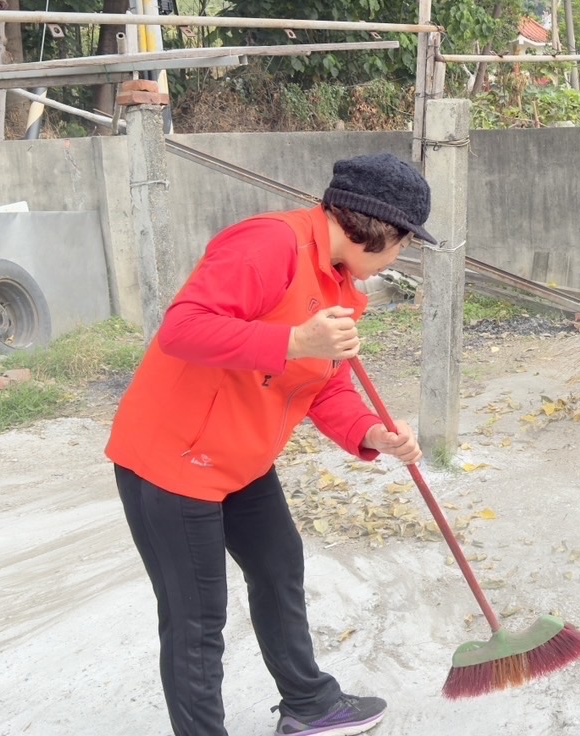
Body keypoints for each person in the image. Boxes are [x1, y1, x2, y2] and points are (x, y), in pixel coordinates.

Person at [106, 152, 434, 736]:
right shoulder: (269, 246)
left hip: (243, 458)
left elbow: (324, 382)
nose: (400, 254)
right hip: (175, 461)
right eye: (404, 241)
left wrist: (372, 432)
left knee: (280, 568)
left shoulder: (342, 286)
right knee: (196, 620)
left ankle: (309, 703)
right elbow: (182, 328)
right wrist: (292, 338)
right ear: (378, 227)